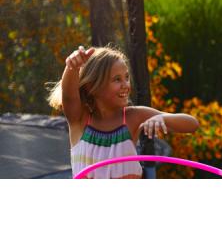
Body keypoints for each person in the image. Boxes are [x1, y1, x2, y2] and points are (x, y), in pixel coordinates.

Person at [47, 45, 200, 179]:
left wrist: (163, 119)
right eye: (117, 79)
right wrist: (72, 67)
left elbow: (192, 124)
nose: (126, 85)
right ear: (93, 86)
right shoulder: (80, 120)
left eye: (127, 77)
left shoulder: (133, 117)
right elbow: (69, 95)